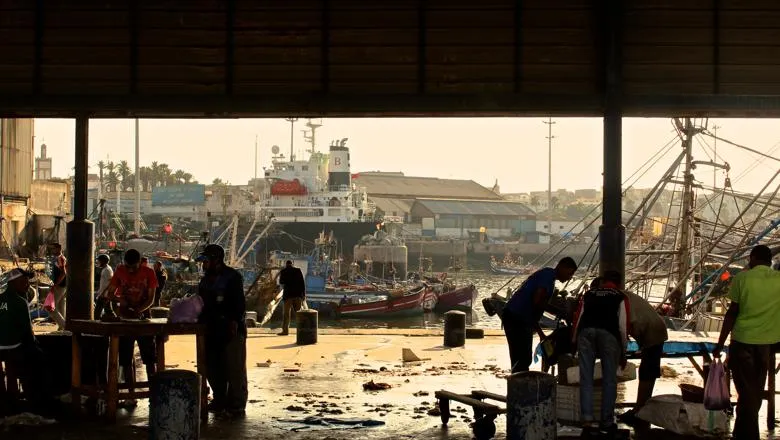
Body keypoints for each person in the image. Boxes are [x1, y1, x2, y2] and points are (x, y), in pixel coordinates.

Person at [713, 245, 780, 440]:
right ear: (769, 261)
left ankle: (748, 434)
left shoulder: (743, 278)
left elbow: (732, 312)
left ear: (752, 258)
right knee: (755, 390)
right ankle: (742, 433)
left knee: (746, 391)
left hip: (742, 341)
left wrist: (720, 343)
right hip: (766, 344)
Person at [572, 271, 628, 437]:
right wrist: (623, 351)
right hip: (609, 333)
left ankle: (587, 421)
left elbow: (579, 318)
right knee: (609, 380)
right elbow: (623, 326)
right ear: (618, 283)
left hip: (585, 332)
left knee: (586, 377)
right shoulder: (620, 296)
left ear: (603, 281)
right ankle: (607, 422)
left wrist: (574, 342)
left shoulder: (589, 294)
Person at [501, 256, 578, 373]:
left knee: (522, 357)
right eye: (570, 273)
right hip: (515, 316)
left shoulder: (549, 279)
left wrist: (541, 333)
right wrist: (558, 312)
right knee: (521, 357)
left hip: (521, 317)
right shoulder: (547, 276)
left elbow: (535, 310)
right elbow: (537, 302)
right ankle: (518, 383)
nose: (570, 277)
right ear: (562, 267)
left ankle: (518, 380)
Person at [197, 244, 247, 417]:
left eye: (205, 261)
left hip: (231, 329)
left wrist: (233, 322)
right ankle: (219, 400)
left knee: (234, 368)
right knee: (213, 367)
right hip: (211, 329)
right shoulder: (204, 280)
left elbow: (239, 304)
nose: (203, 265)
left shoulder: (232, 277)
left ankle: (236, 405)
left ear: (216, 260)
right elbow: (200, 303)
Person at [105, 249, 158, 406]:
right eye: (128, 267)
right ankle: (130, 395)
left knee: (150, 359)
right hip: (125, 319)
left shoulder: (149, 273)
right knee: (126, 360)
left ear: (140, 263)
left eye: (133, 268)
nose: (130, 270)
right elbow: (109, 294)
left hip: (143, 320)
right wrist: (121, 300)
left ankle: (154, 394)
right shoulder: (120, 270)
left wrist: (138, 310)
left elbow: (151, 299)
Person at [0, 269, 54, 415]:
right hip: (13, 347)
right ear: (13, 282)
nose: (27, 285)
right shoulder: (20, 302)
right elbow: (27, 332)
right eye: (23, 281)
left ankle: (4, 403)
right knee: (32, 359)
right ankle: (18, 402)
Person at [618, 287, 669, 424]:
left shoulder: (617, 299)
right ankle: (641, 408)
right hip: (652, 328)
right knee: (647, 370)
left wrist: (622, 353)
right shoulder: (622, 295)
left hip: (652, 330)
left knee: (647, 371)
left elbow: (622, 328)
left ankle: (640, 410)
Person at [276, 260, 306, 336]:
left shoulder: (283, 271)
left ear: (286, 264)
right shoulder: (298, 270)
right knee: (299, 314)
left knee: (286, 314)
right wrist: (303, 295)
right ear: (292, 264)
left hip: (288, 296)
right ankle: (301, 330)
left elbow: (281, 282)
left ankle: (285, 331)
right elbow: (302, 283)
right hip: (297, 295)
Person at [48, 243, 67, 330]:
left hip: (59, 286)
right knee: (60, 307)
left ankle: (65, 326)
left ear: (59, 248)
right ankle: (61, 328)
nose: (52, 250)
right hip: (62, 286)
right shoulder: (59, 258)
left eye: (53, 248)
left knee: (50, 308)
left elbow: (63, 273)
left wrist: (56, 284)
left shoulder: (60, 258)